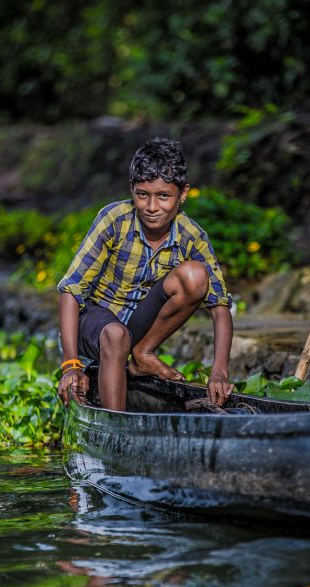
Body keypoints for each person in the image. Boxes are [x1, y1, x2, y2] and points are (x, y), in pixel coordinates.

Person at [56, 137, 234, 411]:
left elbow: (220, 306)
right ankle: (115, 426)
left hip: (135, 329)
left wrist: (219, 372)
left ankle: (142, 354)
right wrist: (70, 364)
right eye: (142, 195)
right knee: (115, 335)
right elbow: (71, 290)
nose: (152, 207)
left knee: (195, 275)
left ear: (183, 194)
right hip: (93, 327)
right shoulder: (115, 220)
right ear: (132, 190)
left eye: (163, 196)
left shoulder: (192, 236)